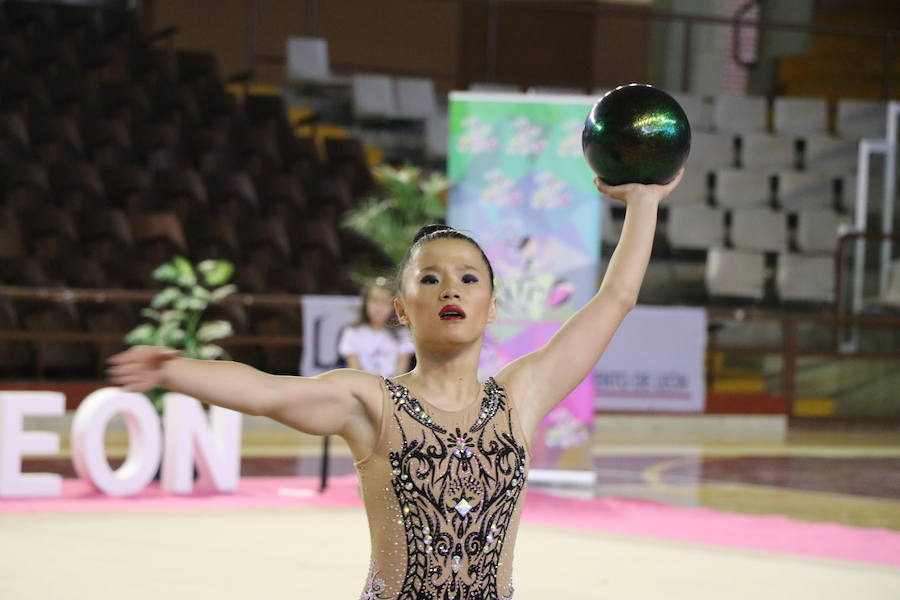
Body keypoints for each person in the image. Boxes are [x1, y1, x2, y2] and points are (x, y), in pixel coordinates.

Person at [107, 170, 683, 599]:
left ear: (491, 305)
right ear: (404, 309)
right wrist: (173, 369)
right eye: (429, 278)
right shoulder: (372, 403)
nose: (449, 289)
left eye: (467, 278)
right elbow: (265, 391)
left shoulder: (520, 396)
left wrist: (644, 201)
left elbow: (616, 298)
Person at [339, 279, 414, 378]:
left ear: (394, 306)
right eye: (374, 301)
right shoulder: (352, 332)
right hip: (362, 388)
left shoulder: (402, 334)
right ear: (366, 303)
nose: (379, 308)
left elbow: (401, 374)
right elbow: (354, 373)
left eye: (385, 302)